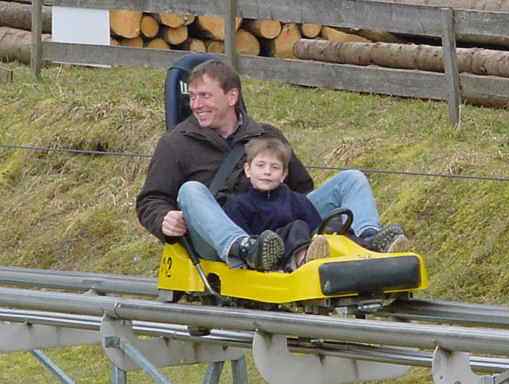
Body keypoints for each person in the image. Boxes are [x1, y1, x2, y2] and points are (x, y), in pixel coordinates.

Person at [136, 59, 409, 272]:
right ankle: (243, 247)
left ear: (231, 97)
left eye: (205, 96)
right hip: (215, 236)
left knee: (352, 178)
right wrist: (164, 219)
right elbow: (151, 200)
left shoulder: (266, 135)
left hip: (271, 230)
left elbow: (301, 188)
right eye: (193, 97)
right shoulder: (175, 143)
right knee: (191, 190)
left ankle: (369, 241)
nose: (196, 105)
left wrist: (294, 228)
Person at [222, 136, 330, 271]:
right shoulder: (238, 204)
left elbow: (316, 227)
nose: (267, 172)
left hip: (295, 248)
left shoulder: (297, 200)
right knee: (292, 229)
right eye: (260, 165)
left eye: (275, 167)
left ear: (284, 175)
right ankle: (302, 262)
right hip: (260, 259)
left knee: (300, 227)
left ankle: (306, 259)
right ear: (248, 170)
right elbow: (240, 237)